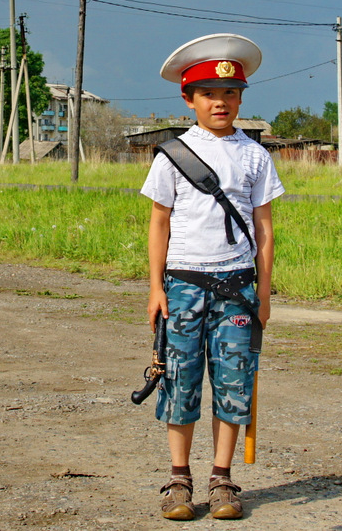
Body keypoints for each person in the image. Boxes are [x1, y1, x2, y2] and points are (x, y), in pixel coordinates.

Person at [140, 33, 284, 520]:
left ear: (241, 98)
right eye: (208, 95)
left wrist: (263, 293)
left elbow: (264, 227)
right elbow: (159, 221)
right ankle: (178, 481)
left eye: (229, 94)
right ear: (188, 99)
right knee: (179, 382)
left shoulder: (255, 156)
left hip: (238, 287)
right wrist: (156, 287)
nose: (220, 103)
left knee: (234, 384)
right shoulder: (172, 154)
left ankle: (222, 480)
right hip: (182, 285)